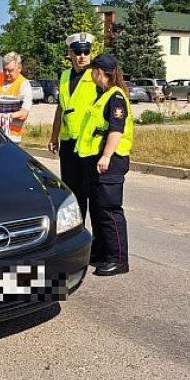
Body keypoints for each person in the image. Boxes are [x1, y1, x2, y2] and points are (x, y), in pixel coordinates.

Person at [76, 54, 132, 276]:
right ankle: (100, 253)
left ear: (99, 72)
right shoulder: (104, 95)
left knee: (109, 211)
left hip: (111, 160)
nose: (91, 74)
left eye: (93, 71)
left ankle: (118, 259)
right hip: (97, 159)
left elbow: (115, 130)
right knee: (99, 210)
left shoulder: (115, 97)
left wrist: (107, 155)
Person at [47, 33, 99, 225]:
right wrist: (54, 136)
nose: (82, 56)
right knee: (71, 192)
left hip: (88, 144)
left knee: (87, 193)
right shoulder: (65, 76)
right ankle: (75, 231)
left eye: (86, 51)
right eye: (78, 51)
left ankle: (88, 238)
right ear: (70, 53)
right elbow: (61, 107)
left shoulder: (96, 75)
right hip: (68, 142)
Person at [0, 52, 32, 143]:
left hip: (11, 138)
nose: (7, 73)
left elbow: (24, 113)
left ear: (19, 68)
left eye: (10, 70)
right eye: (5, 70)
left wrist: (6, 116)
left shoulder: (24, 84)